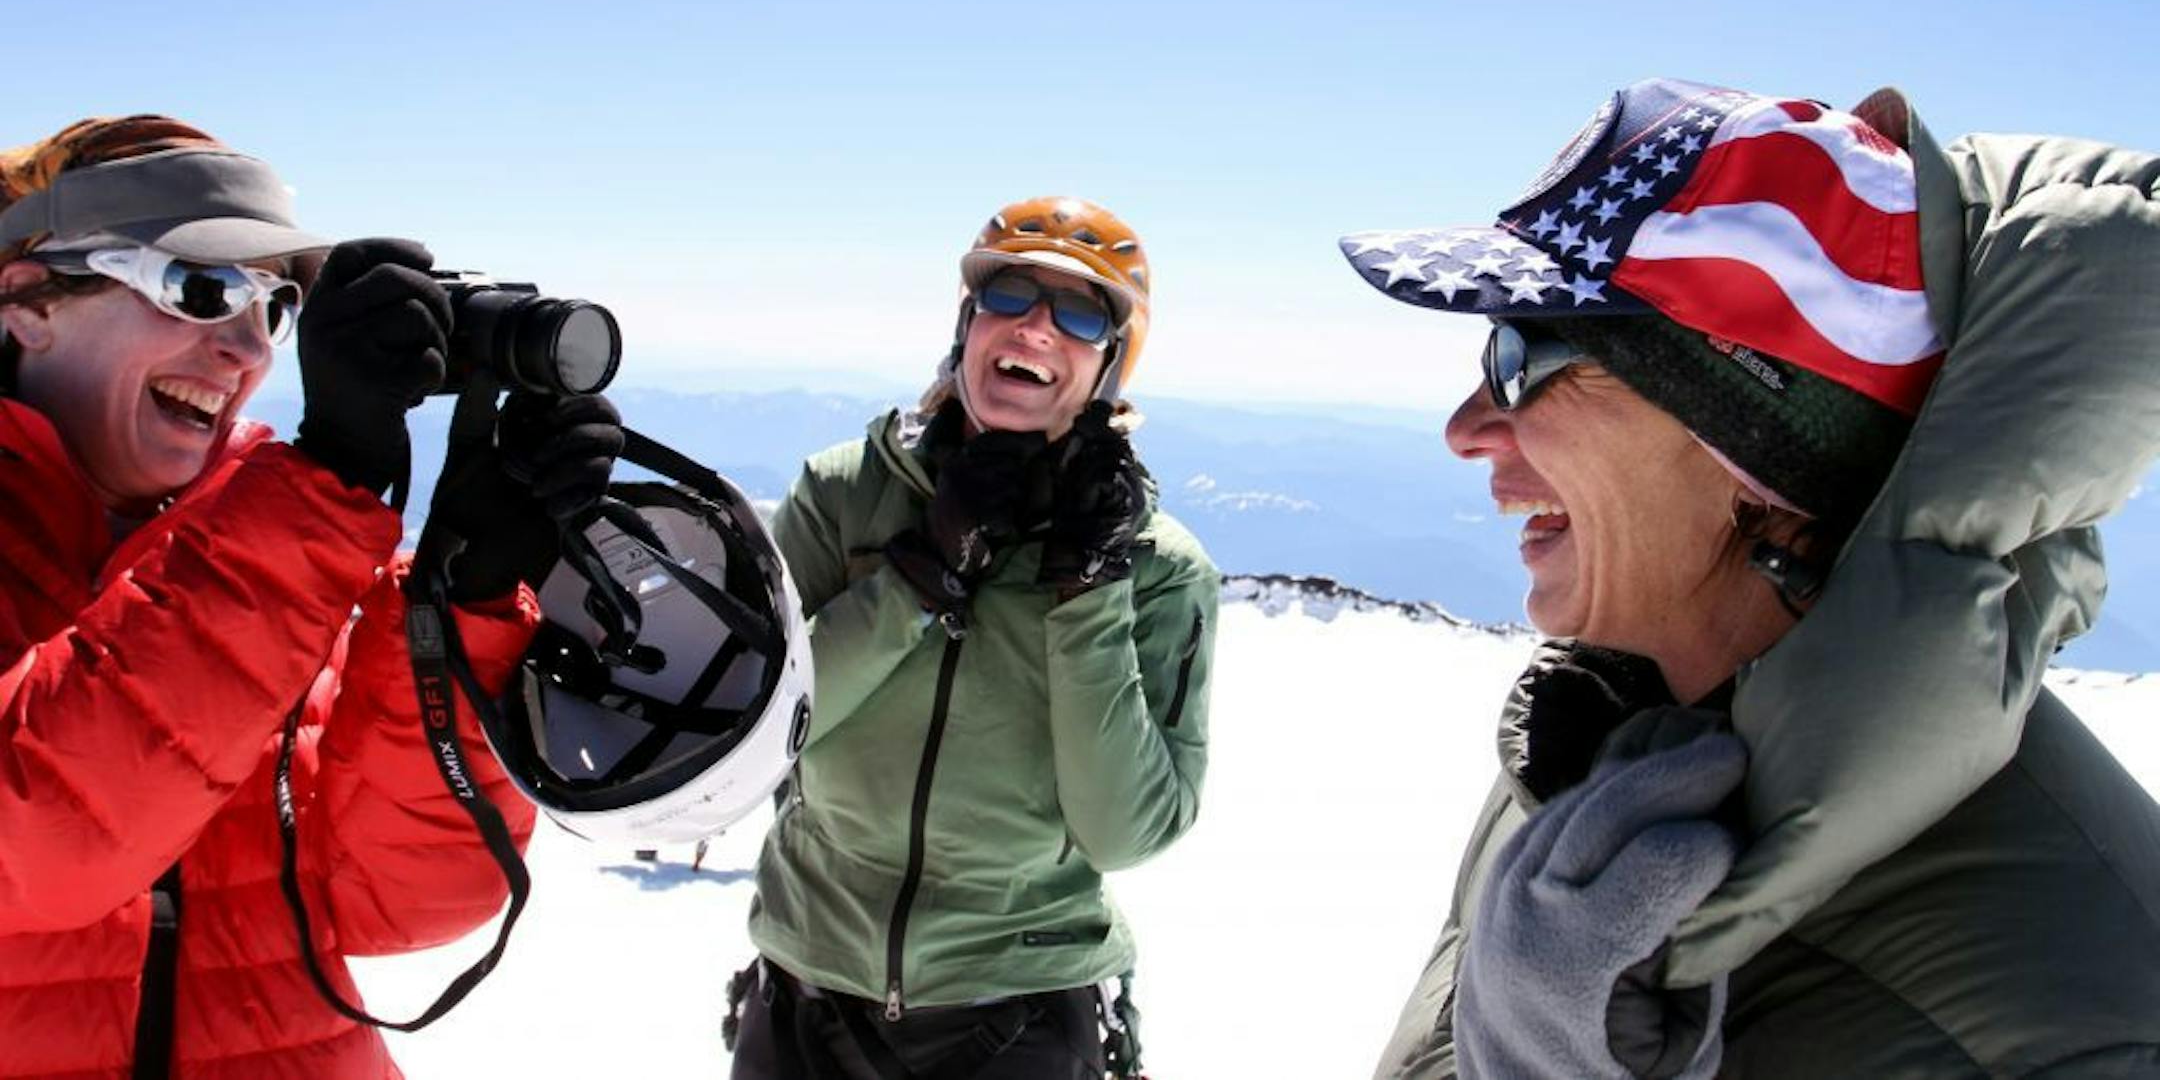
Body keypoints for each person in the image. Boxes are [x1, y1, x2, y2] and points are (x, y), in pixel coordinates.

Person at [1336, 79, 2160, 1077]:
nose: (1465, 427)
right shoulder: (1601, 746)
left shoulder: (2079, 1010)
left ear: (1754, 457)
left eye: (1524, 353)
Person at [0, 116, 621, 1077]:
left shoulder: (271, 543)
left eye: (273, 308)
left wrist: (461, 608)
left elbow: (399, 901)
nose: (247, 352)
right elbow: (39, 843)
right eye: (201, 290)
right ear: (29, 300)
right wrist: (316, 489)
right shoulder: (276, 543)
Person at [728, 197, 1218, 1079]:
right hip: (806, 988)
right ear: (968, 322)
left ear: (1111, 363)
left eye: (1079, 313)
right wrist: (915, 578)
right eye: (1011, 295)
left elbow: (1123, 832)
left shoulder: (1160, 568)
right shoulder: (847, 495)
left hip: (1018, 1009)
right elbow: (755, 734)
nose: (1035, 326)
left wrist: (1091, 586)